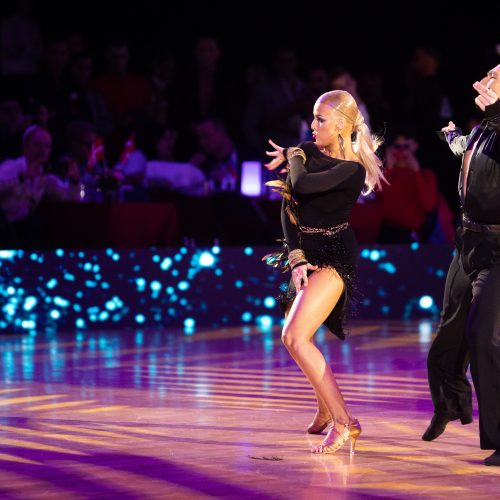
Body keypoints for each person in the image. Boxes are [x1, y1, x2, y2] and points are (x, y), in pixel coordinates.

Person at [264, 90, 384, 454]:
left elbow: (301, 184)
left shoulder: (352, 170)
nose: (312, 126)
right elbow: (289, 203)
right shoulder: (308, 153)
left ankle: (345, 421)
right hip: (307, 254)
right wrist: (296, 258)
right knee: (302, 333)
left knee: (295, 337)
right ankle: (323, 411)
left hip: (334, 257)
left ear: (343, 126)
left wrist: (295, 154)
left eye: (320, 119)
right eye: (312, 118)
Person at [422, 64, 500, 467]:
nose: (482, 82)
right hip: (467, 244)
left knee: (484, 336)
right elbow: (467, 149)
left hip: (499, 250)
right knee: (448, 335)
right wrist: (451, 135)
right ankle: (452, 404)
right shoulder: (485, 128)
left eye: (494, 77)